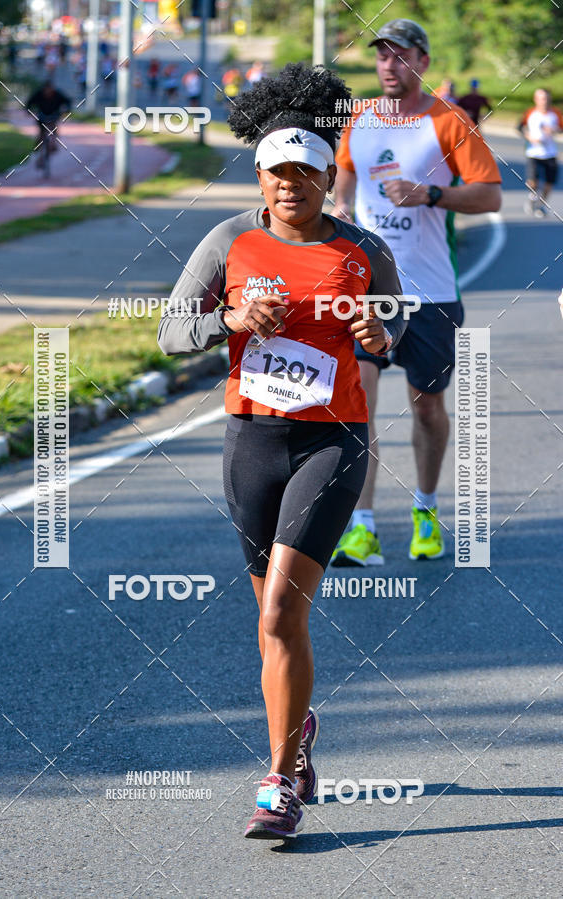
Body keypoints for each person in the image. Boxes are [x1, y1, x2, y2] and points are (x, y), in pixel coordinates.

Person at [158, 62, 406, 839]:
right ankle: (297, 745)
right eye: (277, 172)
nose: (291, 185)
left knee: (278, 610)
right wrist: (230, 320)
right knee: (274, 626)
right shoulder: (229, 239)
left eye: (306, 172)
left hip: (333, 441)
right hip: (252, 441)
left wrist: (381, 335)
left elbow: (398, 325)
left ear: (330, 177)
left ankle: (277, 785)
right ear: (260, 178)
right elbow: (170, 332)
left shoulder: (362, 250)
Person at [332, 18, 501, 566]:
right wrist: (339, 210)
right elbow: (346, 174)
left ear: (422, 62)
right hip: (368, 291)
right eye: (381, 55)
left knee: (427, 409)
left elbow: (489, 198)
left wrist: (430, 194)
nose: (388, 65)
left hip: (431, 293)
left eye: (399, 55)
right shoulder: (359, 117)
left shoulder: (449, 122)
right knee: (356, 406)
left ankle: (425, 512)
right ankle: (362, 527)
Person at [519, 88, 563, 218]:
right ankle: (532, 198)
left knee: (549, 182)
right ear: (536, 99)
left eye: (547, 98)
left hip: (550, 153)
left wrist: (555, 130)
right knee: (533, 181)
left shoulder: (555, 113)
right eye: (541, 98)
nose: (544, 101)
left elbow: (561, 128)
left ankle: (541, 205)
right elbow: (520, 127)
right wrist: (530, 137)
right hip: (534, 152)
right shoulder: (530, 113)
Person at [26, 80, 71, 164]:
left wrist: (67, 109)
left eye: (50, 89)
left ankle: (53, 144)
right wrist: (28, 110)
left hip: (54, 116)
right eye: (46, 90)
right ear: (43, 89)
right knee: (41, 133)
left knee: (54, 130)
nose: (48, 92)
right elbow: (29, 102)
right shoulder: (38, 94)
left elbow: (67, 101)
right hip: (41, 116)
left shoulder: (58, 94)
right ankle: (38, 148)